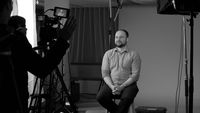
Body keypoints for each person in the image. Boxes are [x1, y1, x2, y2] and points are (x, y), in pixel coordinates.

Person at [0, 0, 76, 113]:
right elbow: (42, 68)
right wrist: (63, 40)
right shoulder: (14, 39)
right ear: (8, 5)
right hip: (12, 104)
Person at [96, 29, 141, 113]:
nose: (118, 39)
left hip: (128, 85)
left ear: (127, 39)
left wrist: (122, 87)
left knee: (127, 98)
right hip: (112, 84)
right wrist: (112, 86)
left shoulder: (134, 54)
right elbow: (105, 74)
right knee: (100, 97)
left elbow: (135, 75)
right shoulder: (108, 54)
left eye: (121, 37)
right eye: (116, 37)